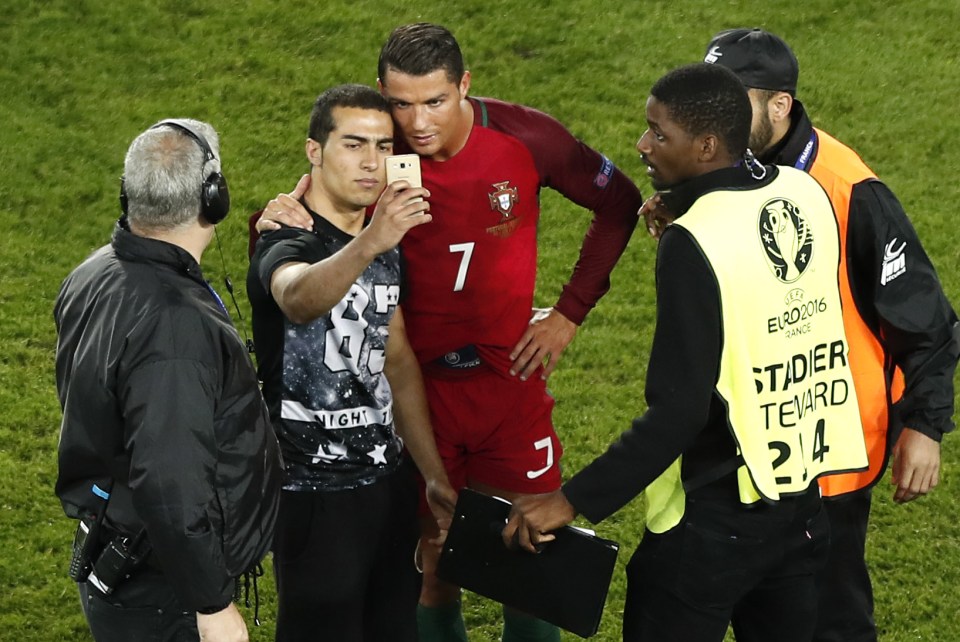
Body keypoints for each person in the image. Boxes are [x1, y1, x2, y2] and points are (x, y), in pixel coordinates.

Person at [255, 23, 643, 642]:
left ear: (464, 85)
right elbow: (318, 214)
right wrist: (281, 213)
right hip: (416, 393)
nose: (416, 122)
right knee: (431, 563)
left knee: (531, 554)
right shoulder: (377, 158)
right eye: (401, 103)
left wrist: (570, 311)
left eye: (435, 101)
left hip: (506, 385)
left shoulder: (525, 138)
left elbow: (619, 201)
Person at [504, 62, 875, 642]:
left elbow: (680, 410)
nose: (642, 144)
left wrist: (569, 501)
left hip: (712, 520)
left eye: (658, 132)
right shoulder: (805, 192)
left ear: (705, 145)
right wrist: (686, 199)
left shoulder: (692, 242)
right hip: (801, 507)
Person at [689, 29, 960, 642]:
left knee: (828, 621)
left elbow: (927, 320)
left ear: (779, 106)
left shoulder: (848, 189)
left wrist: (923, 427)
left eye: (730, 101)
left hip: (828, 452)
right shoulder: (725, 163)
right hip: (744, 443)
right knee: (757, 614)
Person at [54, 119, 283, 642]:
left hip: (123, 550)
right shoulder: (176, 332)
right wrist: (211, 604)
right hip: (165, 594)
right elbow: (171, 484)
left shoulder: (94, 272)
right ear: (214, 196)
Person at [246, 84, 458, 641]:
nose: (371, 163)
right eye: (353, 144)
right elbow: (296, 298)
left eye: (385, 148)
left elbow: (398, 360)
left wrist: (431, 474)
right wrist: (370, 242)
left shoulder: (384, 240)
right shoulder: (282, 238)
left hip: (386, 486)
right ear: (314, 152)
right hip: (311, 494)